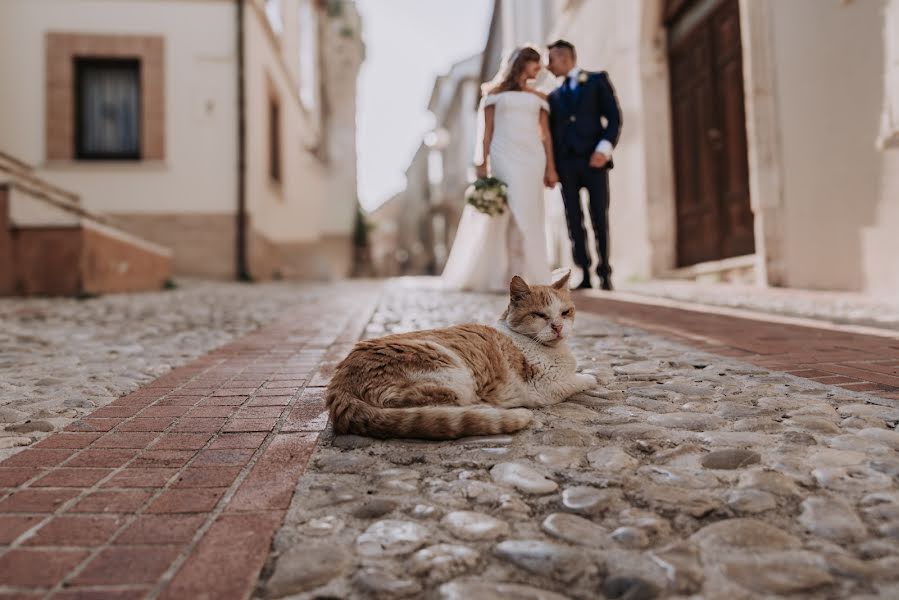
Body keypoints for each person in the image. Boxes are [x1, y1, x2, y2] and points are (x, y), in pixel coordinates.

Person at [440, 45, 555, 293]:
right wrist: (482, 162)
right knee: (507, 214)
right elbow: (487, 133)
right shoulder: (493, 95)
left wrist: (551, 168)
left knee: (530, 215)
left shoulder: (540, 98)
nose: (539, 68)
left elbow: (546, 136)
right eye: (535, 63)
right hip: (503, 156)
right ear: (522, 63)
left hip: (532, 159)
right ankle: (505, 273)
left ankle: (527, 272)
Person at [546, 40, 622, 291]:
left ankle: (605, 273)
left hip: (594, 161)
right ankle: (585, 272)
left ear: (565, 58)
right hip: (566, 165)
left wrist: (603, 150)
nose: (548, 66)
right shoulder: (553, 96)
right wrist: (553, 167)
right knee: (573, 221)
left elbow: (613, 118)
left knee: (599, 215)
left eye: (551, 60)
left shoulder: (596, 80)